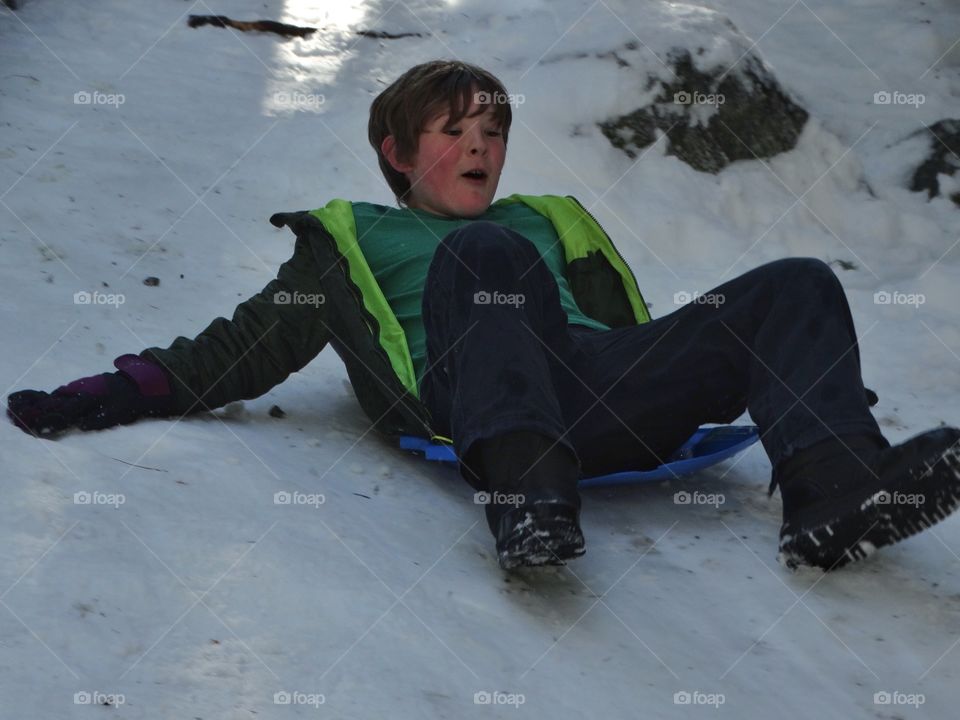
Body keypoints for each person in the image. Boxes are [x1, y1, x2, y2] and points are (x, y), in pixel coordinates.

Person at [8, 60, 960, 572]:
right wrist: (105, 390)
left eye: (494, 132)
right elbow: (237, 350)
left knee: (794, 279)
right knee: (482, 253)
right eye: (455, 132)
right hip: (480, 408)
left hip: (598, 393)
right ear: (395, 150)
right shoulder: (356, 241)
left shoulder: (538, 221)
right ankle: (526, 500)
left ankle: (835, 493)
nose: (482, 148)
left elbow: (624, 329)